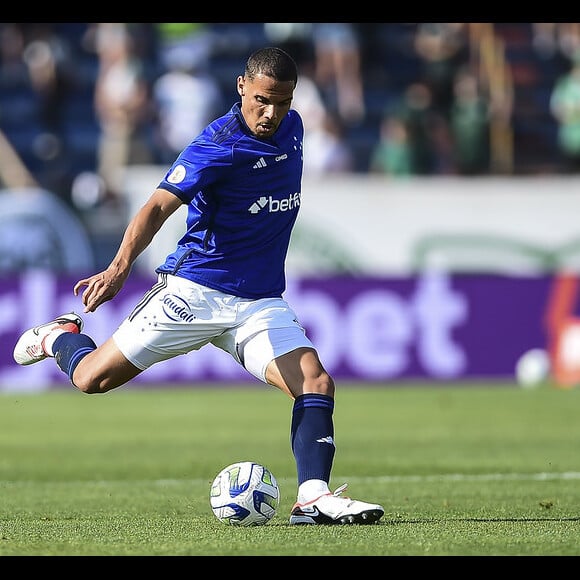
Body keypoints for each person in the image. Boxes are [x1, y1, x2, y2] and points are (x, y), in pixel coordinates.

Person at [13, 47, 384, 526]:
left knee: (315, 382)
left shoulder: (294, 128)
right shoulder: (218, 144)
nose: (271, 113)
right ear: (241, 88)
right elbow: (155, 208)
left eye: (283, 101)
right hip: (194, 291)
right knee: (91, 380)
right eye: (262, 100)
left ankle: (312, 498)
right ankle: (59, 336)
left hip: (259, 302)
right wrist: (120, 266)